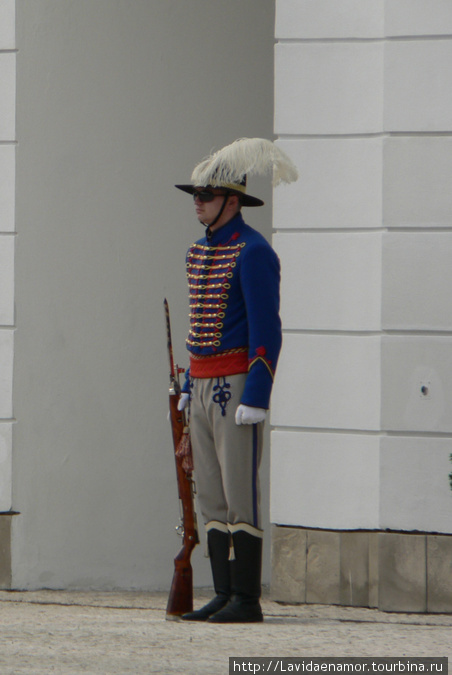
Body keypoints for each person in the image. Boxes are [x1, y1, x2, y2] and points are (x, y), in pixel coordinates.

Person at [173, 138, 297, 623]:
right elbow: (197, 325)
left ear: (232, 201)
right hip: (203, 382)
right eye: (196, 195)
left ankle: (246, 599)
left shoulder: (254, 252)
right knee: (211, 494)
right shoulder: (197, 253)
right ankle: (222, 593)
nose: (197, 202)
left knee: (240, 493)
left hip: (237, 383)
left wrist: (258, 394)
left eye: (206, 194)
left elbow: (268, 328)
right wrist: (187, 390)